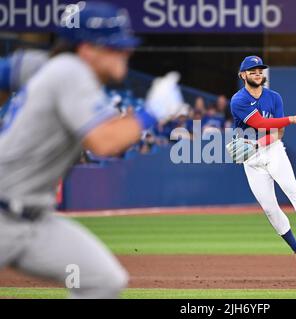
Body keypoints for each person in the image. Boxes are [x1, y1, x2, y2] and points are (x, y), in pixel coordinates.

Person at [0, 2, 183, 298]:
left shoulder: (53, 68)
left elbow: (7, 71)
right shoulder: (70, 72)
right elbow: (104, 142)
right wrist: (152, 111)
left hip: (34, 224)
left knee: (102, 280)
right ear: (87, 49)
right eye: (115, 46)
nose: (126, 51)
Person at [229, 56, 296, 272]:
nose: (257, 74)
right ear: (243, 75)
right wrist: (292, 119)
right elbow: (261, 123)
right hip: (251, 159)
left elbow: (278, 132)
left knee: (291, 187)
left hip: (272, 149)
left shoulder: (274, 97)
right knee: (270, 208)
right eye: (252, 71)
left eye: (260, 70)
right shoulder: (238, 100)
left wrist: (259, 143)